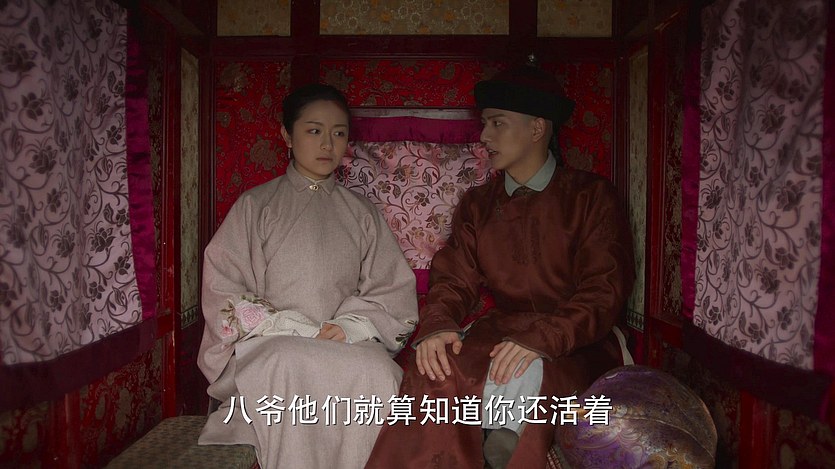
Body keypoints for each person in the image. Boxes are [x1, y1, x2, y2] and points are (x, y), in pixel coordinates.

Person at [365, 61, 635, 469]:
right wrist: (438, 325)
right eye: (484, 124)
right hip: (500, 329)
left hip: (578, 336)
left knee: (532, 377)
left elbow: (604, 290)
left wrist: (543, 339)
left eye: (497, 123)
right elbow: (454, 278)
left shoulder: (591, 196)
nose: (484, 136)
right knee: (436, 369)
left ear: (537, 128)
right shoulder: (479, 204)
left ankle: (506, 449)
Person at [197, 84, 419, 469]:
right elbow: (224, 287)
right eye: (314, 131)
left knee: (379, 372)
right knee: (286, 360)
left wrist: (348, 327)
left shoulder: (362, 213)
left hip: (344, 342)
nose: (327, 144)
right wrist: (289, 326)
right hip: (273, 340)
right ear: (287, 135)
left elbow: (392, 290)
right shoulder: (255, 206)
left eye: (339, 133)